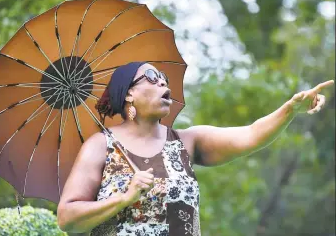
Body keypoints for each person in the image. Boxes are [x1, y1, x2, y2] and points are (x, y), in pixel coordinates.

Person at [56, 62, 333, 236]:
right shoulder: (101, 145)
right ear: (129, 93)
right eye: (151, 77)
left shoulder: (187, 141)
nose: (163, 81)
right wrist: (123, 199)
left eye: (163, 76)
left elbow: (251, 135)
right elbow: (67, 218)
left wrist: (290, 110)